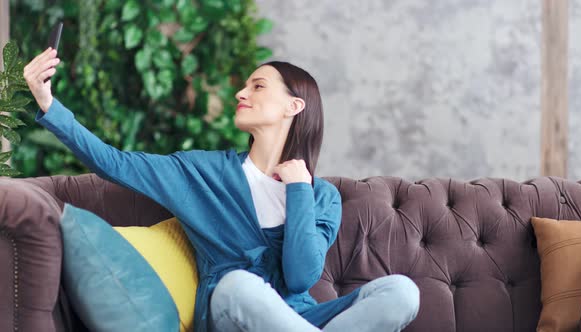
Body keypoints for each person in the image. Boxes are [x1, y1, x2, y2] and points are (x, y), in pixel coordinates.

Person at [24, 47, 420, 332]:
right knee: (241, 285)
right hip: (232, 311)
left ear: (293, 107)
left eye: (258, 86)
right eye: (245, 86)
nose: (241, 93)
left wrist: (298, 188)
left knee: (402, 291)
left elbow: (300, 279)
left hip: (301, 318)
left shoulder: (320, 196)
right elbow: (116, 163)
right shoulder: (203, 172)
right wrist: (49, 105)